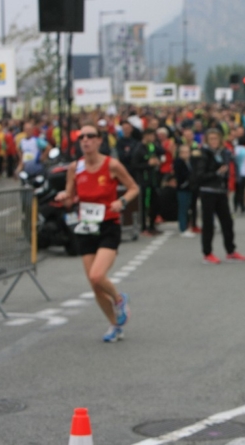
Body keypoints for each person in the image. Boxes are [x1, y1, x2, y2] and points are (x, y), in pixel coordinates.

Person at [55, 124, 139, 342]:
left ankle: (119, 299)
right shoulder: (76, 167)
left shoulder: (112, 165)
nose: (85, 140)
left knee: (96, 275)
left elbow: (133, 188)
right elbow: (72, 196)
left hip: (108, 226)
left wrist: (121, 201)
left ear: (100, 141)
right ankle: (115, 326)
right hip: (86, 227)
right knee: (95, 285)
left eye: (90, 136)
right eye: (81, 136)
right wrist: (65, 197)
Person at [195, 128, 245, 264]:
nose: (214, 141)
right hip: (207, 191)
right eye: (211, 139)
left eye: (216, 138)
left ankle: (230, 251)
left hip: (221, 191)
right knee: (208, 224)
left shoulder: (224, 152)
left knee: (227, 222)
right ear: (207, 140)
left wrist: (227, 185)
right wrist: (217, 173)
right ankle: (207, 253)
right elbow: (199, 176)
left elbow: (229, 170)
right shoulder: (203, 154)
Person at [131, 129, 164, 235]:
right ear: (145, 136)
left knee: (156, 203)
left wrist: (157, 160)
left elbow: (161, 152)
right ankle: (144, 227)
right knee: (145, 205)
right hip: (144, 181)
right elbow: (135, 165)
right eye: (151, 135)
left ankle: (152, 225)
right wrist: (148, 164)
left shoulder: (152, 146)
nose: (153, 138)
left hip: (153, 180)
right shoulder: (138, 149)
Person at [174, 144, 195, 237]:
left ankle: (188, 226)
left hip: (189, 188)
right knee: (183, 208)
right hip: (182, 188)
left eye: (187, 152)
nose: (186, 154)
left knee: (187, 208)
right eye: (184, 152)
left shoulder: (189, 162)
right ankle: (183, 228)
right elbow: (182, 175)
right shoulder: (179, 162)